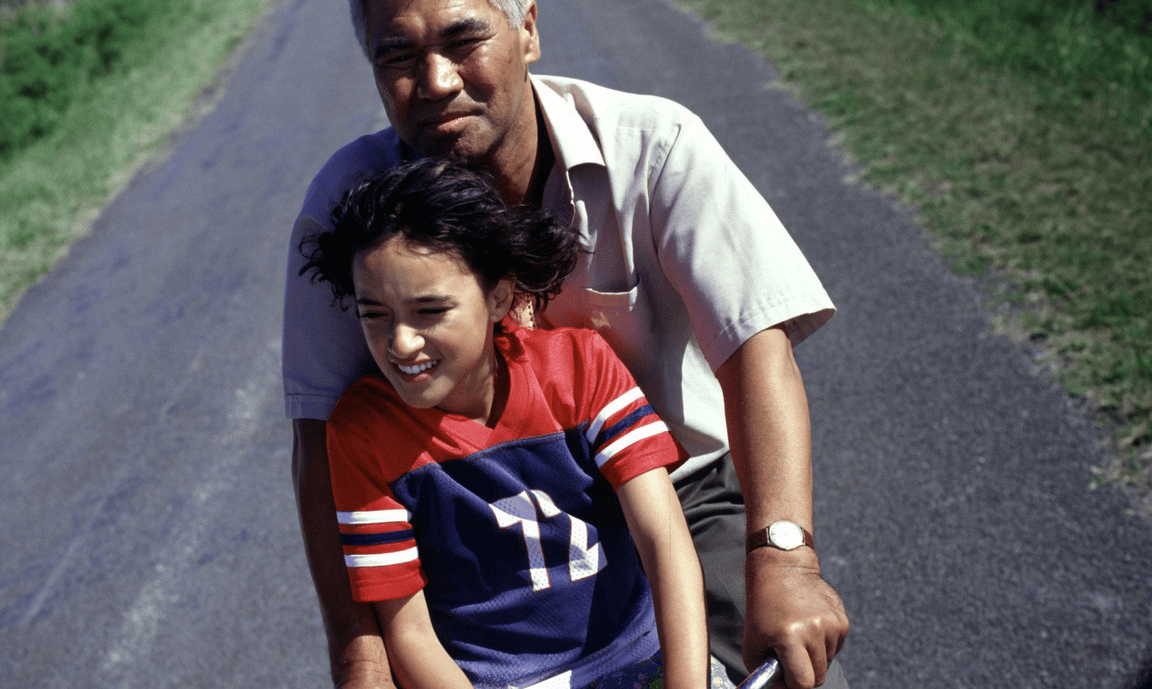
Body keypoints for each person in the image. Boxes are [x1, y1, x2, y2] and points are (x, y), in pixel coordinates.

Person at [282, 1, 851, 687]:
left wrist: (785, 558)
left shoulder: (654, 144)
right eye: (396, 55)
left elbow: (755, 346)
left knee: (794, 661)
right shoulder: (351, 209)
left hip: (673, 491)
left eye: (464, 39)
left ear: (527, 28)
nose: (433, 79)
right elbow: (320, 435)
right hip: (465, 530)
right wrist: (359, 658)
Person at [298, 159, 730, 689]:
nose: (400, 342)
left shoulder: (580, 366)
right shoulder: (362, 433)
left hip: (642, 656)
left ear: (499, 296)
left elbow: (663, 540)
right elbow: (408, 634)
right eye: (374, 314)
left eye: (429, 310)